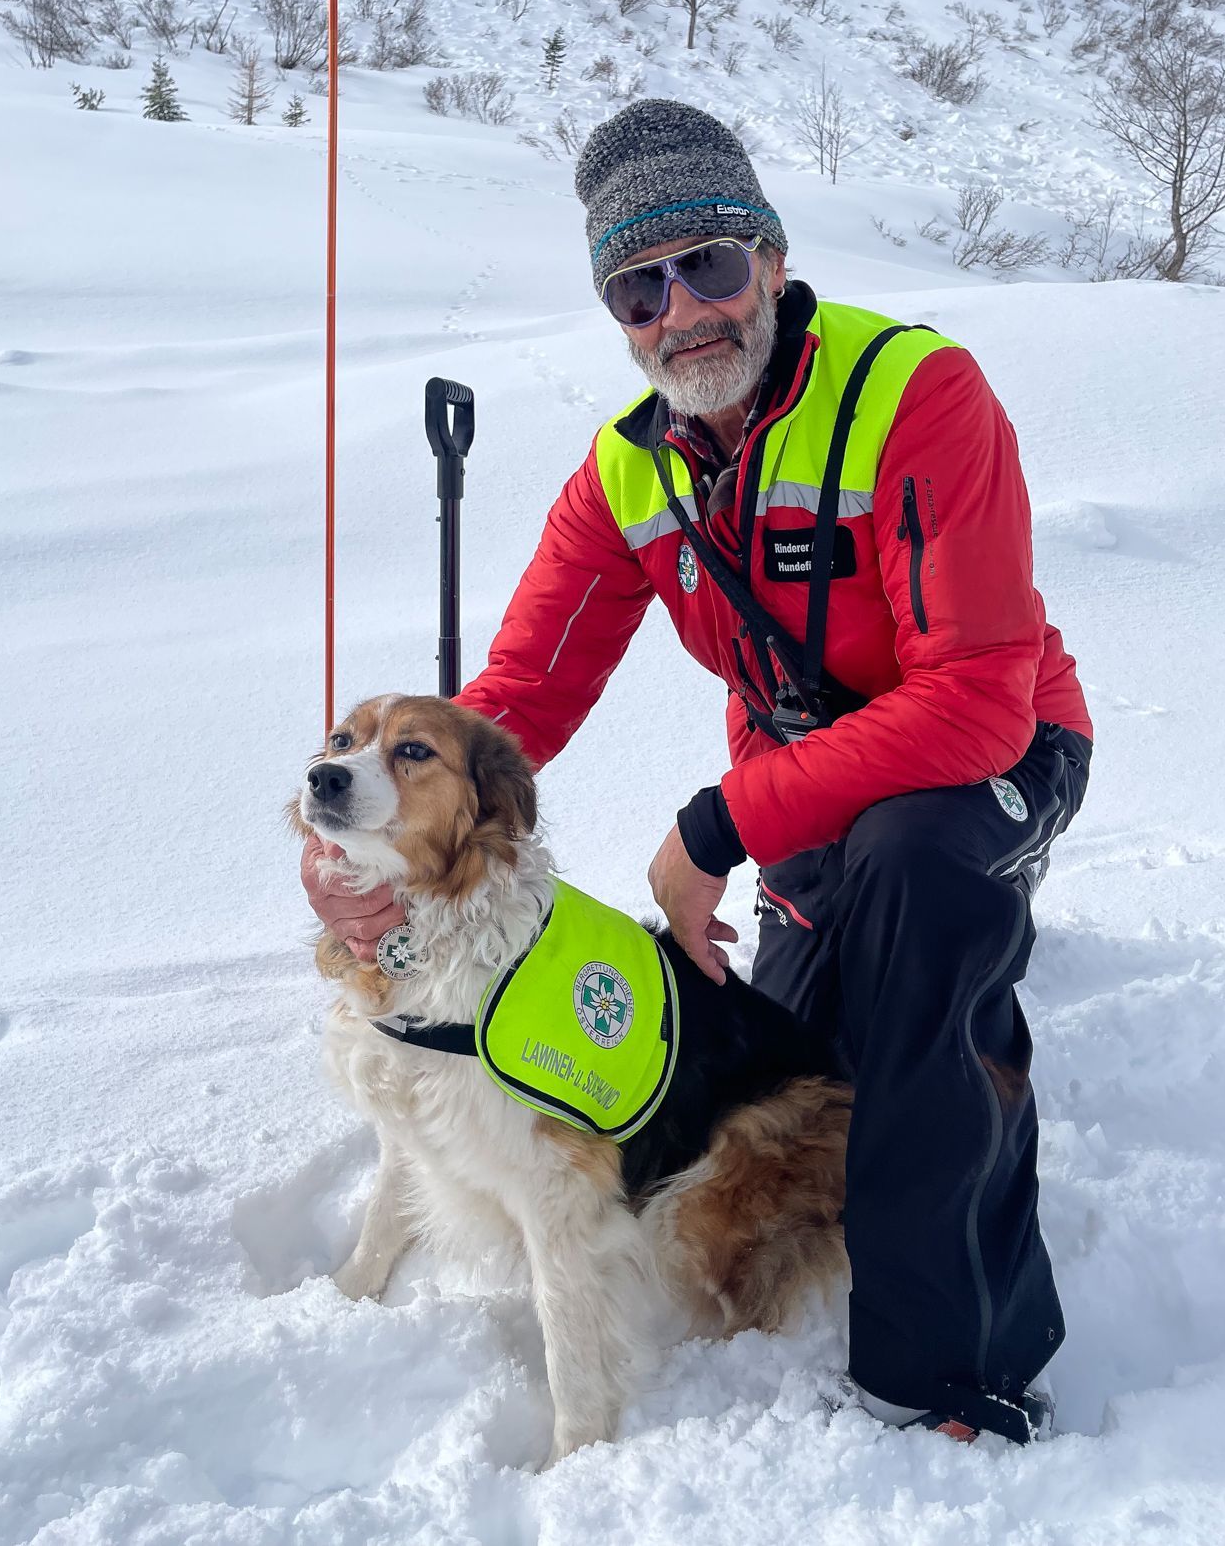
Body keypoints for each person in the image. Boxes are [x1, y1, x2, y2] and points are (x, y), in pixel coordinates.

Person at [303, 97, 1093, 1444]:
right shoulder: (621, 473)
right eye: (637, 287)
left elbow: (970, 699)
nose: (683, 312)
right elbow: (509, 711)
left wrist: (712, 828)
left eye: (711, 264)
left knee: (917, 930)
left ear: (772, 260)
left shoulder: (917, 394)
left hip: (996, 760)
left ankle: (950, 1371)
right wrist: (370, 844)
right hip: (812, 805)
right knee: (798, 1072)